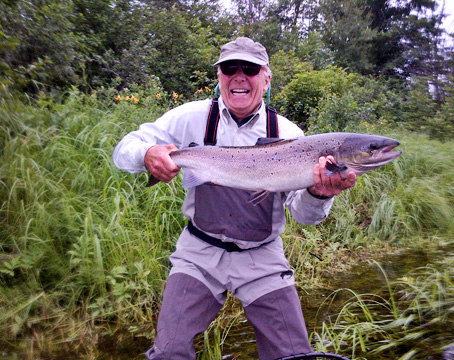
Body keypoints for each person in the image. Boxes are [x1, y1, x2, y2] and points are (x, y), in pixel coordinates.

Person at [113, 37, 357, 360]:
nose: (239, 76)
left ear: (267, 78)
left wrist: (317, 193)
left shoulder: (293, 136)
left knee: (294, 355)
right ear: (219, 77)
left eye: (250, 68)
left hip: (262, 258)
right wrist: (147, 154)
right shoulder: (191, 118)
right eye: (229, 68)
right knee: (169, 351)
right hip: (199, 252)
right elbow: (123, 150)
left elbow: (304, 215)